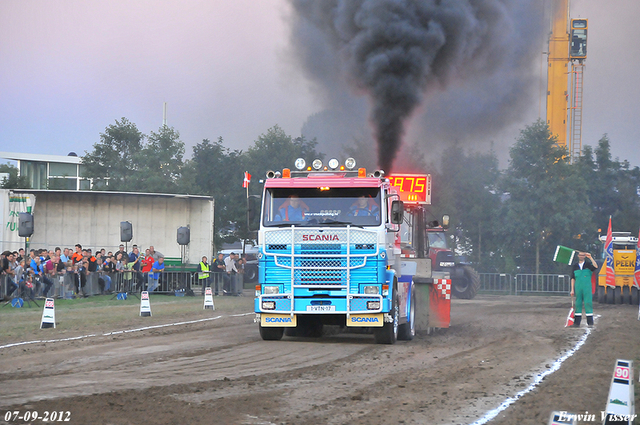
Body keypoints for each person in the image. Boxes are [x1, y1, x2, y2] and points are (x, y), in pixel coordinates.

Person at [570, 251, 598, 328]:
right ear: (578, 256)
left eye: (583, 255)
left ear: (585, 256)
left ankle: (590, 323)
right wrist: (572, 289)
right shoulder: (575, 266)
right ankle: (576, 323)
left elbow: (596, 267)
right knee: (578, 304)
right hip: (578, 288)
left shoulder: (588, 265)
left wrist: (591, 257)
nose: (581, 256)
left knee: (588, 303)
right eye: (580, 255)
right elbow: (572, 278)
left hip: (587, 288)